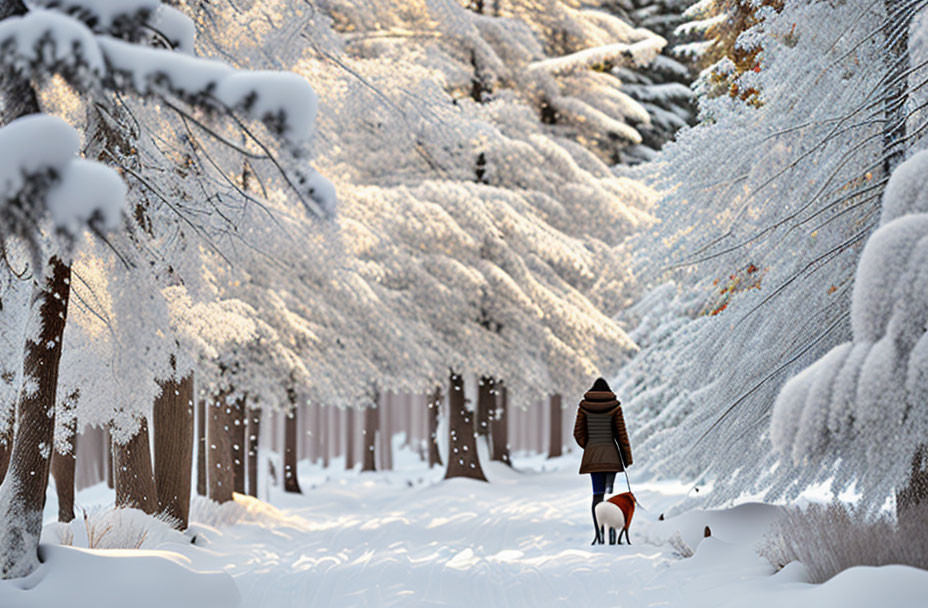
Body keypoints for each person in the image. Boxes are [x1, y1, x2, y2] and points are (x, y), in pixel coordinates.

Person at [573, 377, 632, 545]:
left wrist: (590, 446)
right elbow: (622, 434)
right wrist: (626, 458)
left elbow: (577, 433)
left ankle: (599, 534)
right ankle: (612, 533)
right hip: (611, 458)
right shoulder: (615, 407)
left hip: (593, 458)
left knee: (597, 495)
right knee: (609, 493)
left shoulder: (584, 407)